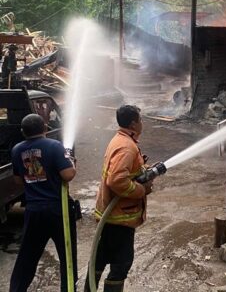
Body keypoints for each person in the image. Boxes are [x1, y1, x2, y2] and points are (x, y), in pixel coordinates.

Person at [85, 105, 153, 292]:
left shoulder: (121, 140)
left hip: (111, 216)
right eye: (140, 119)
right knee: (121, 265)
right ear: (133, 123)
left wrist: (141, 168)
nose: (142, 123)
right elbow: (116, 180)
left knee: (99, 259)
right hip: (119, 218)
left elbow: (122, 173)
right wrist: (141, 189)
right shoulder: (126, 147)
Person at [9, 114, 77, 292]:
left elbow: (18, 181)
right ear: (45, 128)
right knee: (67, 258)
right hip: (57, 210)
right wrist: (71, 162)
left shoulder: (16, 150)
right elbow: (68, 175)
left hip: (33, 211)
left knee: (27, 256)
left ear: (23, 132)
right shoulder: (54, 146)